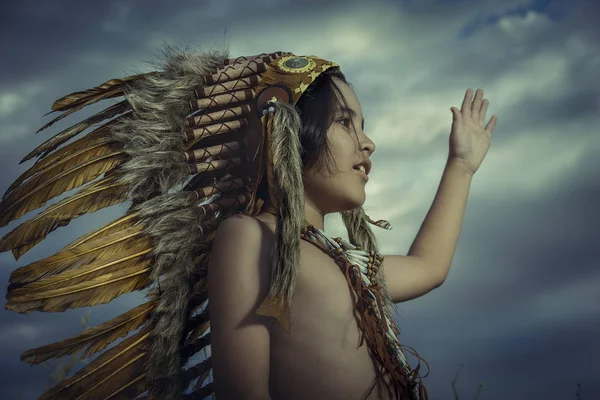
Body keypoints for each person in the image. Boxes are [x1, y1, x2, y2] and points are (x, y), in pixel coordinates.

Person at [0, 47, 496, 400]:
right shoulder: (250, 236)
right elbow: (244, 389)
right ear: (284, 134)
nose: (368, 144)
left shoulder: (343, 261)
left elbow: (428, 266)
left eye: (361, 126)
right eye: (346, 122)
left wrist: (461, 165)